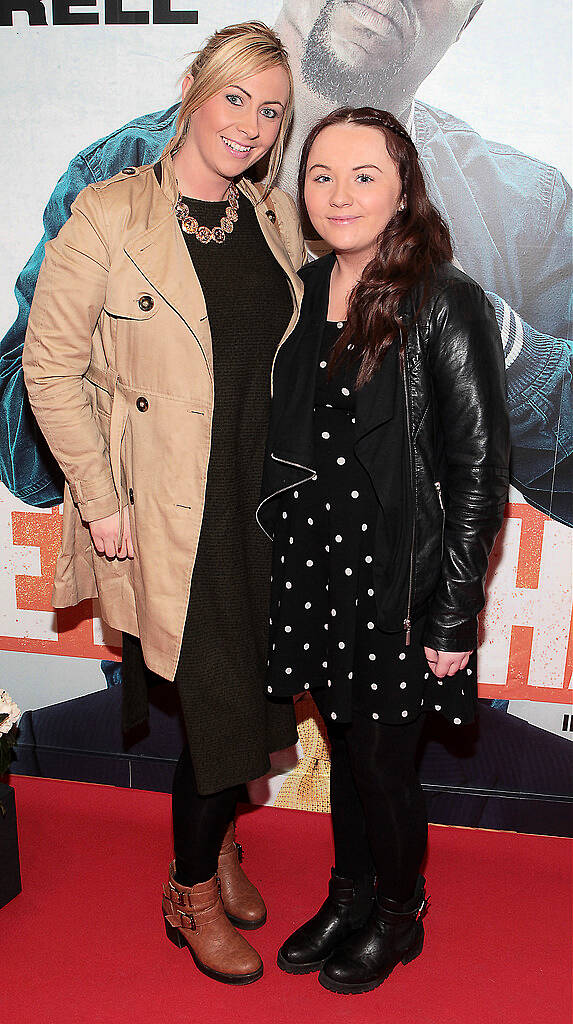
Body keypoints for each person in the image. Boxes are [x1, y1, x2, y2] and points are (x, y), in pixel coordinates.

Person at [1, 0, 570, 524]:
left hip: (378, 595)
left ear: (468, 16)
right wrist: (140, 366)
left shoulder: (521, 210)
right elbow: (20, 446)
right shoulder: (121, 176)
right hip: (200, 576)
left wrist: (498, 351)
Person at [22, 21, 306, 986]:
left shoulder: (270, 219)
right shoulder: (107, 214)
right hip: (166, 514)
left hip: (261, 508)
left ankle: (216, 841)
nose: (251, 125)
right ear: (192, 85)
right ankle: (188, 889)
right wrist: (99, 499)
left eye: (269, 110)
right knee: (223, 707)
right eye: (235, 97)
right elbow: (48, 368)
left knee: (252, 700)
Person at [258, 107, 510, 994]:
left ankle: (398, 915)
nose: (339, 192)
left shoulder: (445, 301)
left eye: (365, 174)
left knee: (382, 765)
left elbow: (478, 469)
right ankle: (349, 893)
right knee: (343, 750)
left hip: (395, 585)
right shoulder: (299, 290)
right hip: (313, 574)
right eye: (321, 173)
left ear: (403, 188)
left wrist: (452, 611)